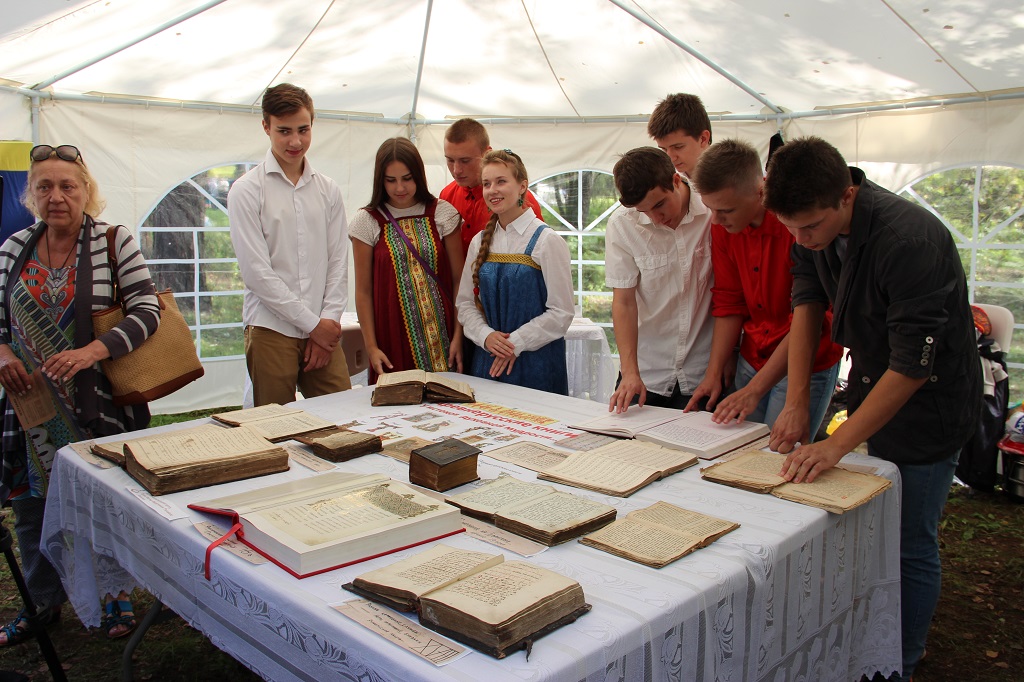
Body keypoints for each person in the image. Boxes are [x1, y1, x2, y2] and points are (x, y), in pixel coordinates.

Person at [763, 136, 982, 681]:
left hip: (931, 403)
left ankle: (900, 661)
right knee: (875, 528)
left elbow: (912, 367)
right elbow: (806, 306)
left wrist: (836, 444)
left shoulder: (910, 241)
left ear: (847, 194)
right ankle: (875, 636)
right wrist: (797, 402)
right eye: (790, 229)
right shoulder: (809, 222)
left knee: (909, 539)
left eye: (809, 227)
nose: (801, 240)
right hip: (873, 384)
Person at [0, 144, 157, 644]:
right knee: (32, 507)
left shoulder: (113, 241)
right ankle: (42, 602)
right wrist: (2, 355)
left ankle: (115, 597)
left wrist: (92, 351)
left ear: (86, 190)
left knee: (102, 501)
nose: (57, 196)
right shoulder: (13, 249)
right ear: (31, 195)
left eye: (68, 186)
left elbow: (148, 311)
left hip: (97, 400)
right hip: (30, 406)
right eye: (44, 186)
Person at [685, 139, 842, 433]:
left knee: (777, 449)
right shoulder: (723, 227)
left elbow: (814, 319)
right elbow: (729, 300)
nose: (715, 221)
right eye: (710, 209)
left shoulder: (798, 226)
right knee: (736, 446)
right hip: (753, 355)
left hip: (805, 364)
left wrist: (755, 388)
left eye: (726, 210)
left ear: (761, 191)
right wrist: (713, 373)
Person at [229, 83, 351, 407]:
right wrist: (313, 325)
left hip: (322, 325)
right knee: (276, 424)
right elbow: (257, 274)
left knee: (343, 415)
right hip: (271, 327)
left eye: (303, 130)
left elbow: (338, 261)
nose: (295, 141)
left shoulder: (328, 190)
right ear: (266, 127)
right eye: (284, 131)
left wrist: (327, 323)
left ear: (312, 124)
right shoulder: (246, 190)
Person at [605, 147, 714, 412]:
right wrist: (629, 371)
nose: (656, 219)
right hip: (646, 372)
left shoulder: (712, 210)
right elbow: (624, 302)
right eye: (644, 211)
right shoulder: (622, 224)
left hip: (703, 372)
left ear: (675, 180)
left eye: (659, 205)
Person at [455, 150, 573, 394]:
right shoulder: (479, 242)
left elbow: (561, 312)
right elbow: (465, 304)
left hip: (536, 365)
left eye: (501, 181)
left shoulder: (547, 241)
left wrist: (515, 343)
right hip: (488, 362)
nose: (492, 190)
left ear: (522, 186)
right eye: (486, 184)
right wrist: (486, 336)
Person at [349, 137, 466, 383]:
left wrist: (458, 336)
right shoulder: (367, 221)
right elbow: (363, 291)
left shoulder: (443, 213)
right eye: (390, 180)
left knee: (449, 401)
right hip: (390, 337)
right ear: (380, 180)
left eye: (407, 178)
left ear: (419, 175)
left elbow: (459, 280)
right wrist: (371, 347)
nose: (400, 188)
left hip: (443, 336)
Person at [439, 119, 544, 255]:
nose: (456, 170)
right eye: (450, 160)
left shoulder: (517, 198)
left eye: (465, 161)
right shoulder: (446, 195)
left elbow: (539, 249)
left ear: (487, 153)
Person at [647, 93, 712, 177]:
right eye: (664, 149)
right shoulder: (666, 180)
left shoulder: (727, 178)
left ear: (703, 139)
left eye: (678, 147)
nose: (671, 159)